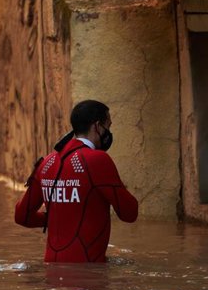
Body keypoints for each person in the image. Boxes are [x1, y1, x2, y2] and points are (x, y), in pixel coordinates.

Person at [15, 99, 138, 263]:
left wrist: (60, 216)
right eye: (107, 126)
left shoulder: (47, 163)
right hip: (88, 271)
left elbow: (22, 216)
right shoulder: (97, 160)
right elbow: (129, 213)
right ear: (97, 126)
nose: (108, 132)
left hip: (51, 269)